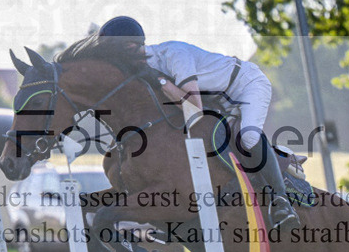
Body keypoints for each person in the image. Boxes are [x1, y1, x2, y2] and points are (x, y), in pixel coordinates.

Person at [96, 15, 300, 233]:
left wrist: (161, 81)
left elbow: (194, 107)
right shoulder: (141, 70)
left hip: (246, 85)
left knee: (247, 137)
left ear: (130, 46)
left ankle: (282, 201)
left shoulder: (173, 54)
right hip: (218, 98)